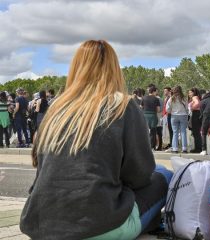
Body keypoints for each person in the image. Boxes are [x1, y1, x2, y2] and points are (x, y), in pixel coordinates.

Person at [20, 40, 173, 240]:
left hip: (41, 225)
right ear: (114, 69)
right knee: (163, 174)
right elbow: (140, 175)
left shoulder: (56, 110)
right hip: (99, 227)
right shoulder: (122, 105)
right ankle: (145, 224)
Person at [166, 86, 189, 154]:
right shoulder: (184, 98)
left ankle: (175, 148)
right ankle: (184, 148)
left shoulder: (171, 98)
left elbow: (167, 109)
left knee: (175, 132)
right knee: (183, 132)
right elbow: (187, 108)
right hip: (183, 115)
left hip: (174, 116)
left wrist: (172, 111)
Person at [141, 86, 161, 150]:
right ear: (154, 92)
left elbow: (141, 107)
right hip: (153, 116)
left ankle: (144, 146)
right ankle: (152, 146)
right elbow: (158, 110)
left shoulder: (144, 98)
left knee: (145, 131)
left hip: (145, 116)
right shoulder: (156, 99)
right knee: (153, 131)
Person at [188, 88, 202, 153]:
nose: (189, 94)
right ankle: (199, 147)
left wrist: (191, 107)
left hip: (195, 114)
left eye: (190, 92)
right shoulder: (198, 97)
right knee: (197, 132)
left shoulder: (194, 97)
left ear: (194, 93)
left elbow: (197, 103)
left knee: (196, 132)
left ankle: (198, 148)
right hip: (198, 114)